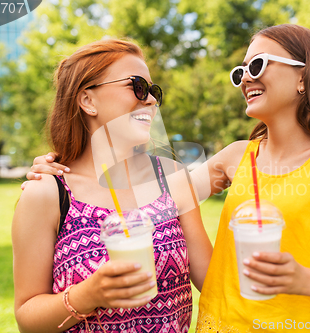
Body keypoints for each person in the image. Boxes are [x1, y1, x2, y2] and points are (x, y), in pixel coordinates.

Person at [25, 24, 310, 332]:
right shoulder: (237, 158)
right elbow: (147, 195)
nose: (244, 79)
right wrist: (58, 166)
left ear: (303, 76)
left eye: (257, 66)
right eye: (241, 71)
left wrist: (303, 279)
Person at [12, 38, 212, 333]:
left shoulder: (172, 178)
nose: (151, 100)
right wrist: (88, 295)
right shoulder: (47, 194)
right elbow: (27, 319)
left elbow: (213, 281)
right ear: (88, 100)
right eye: (138, 86)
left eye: (153, 91)